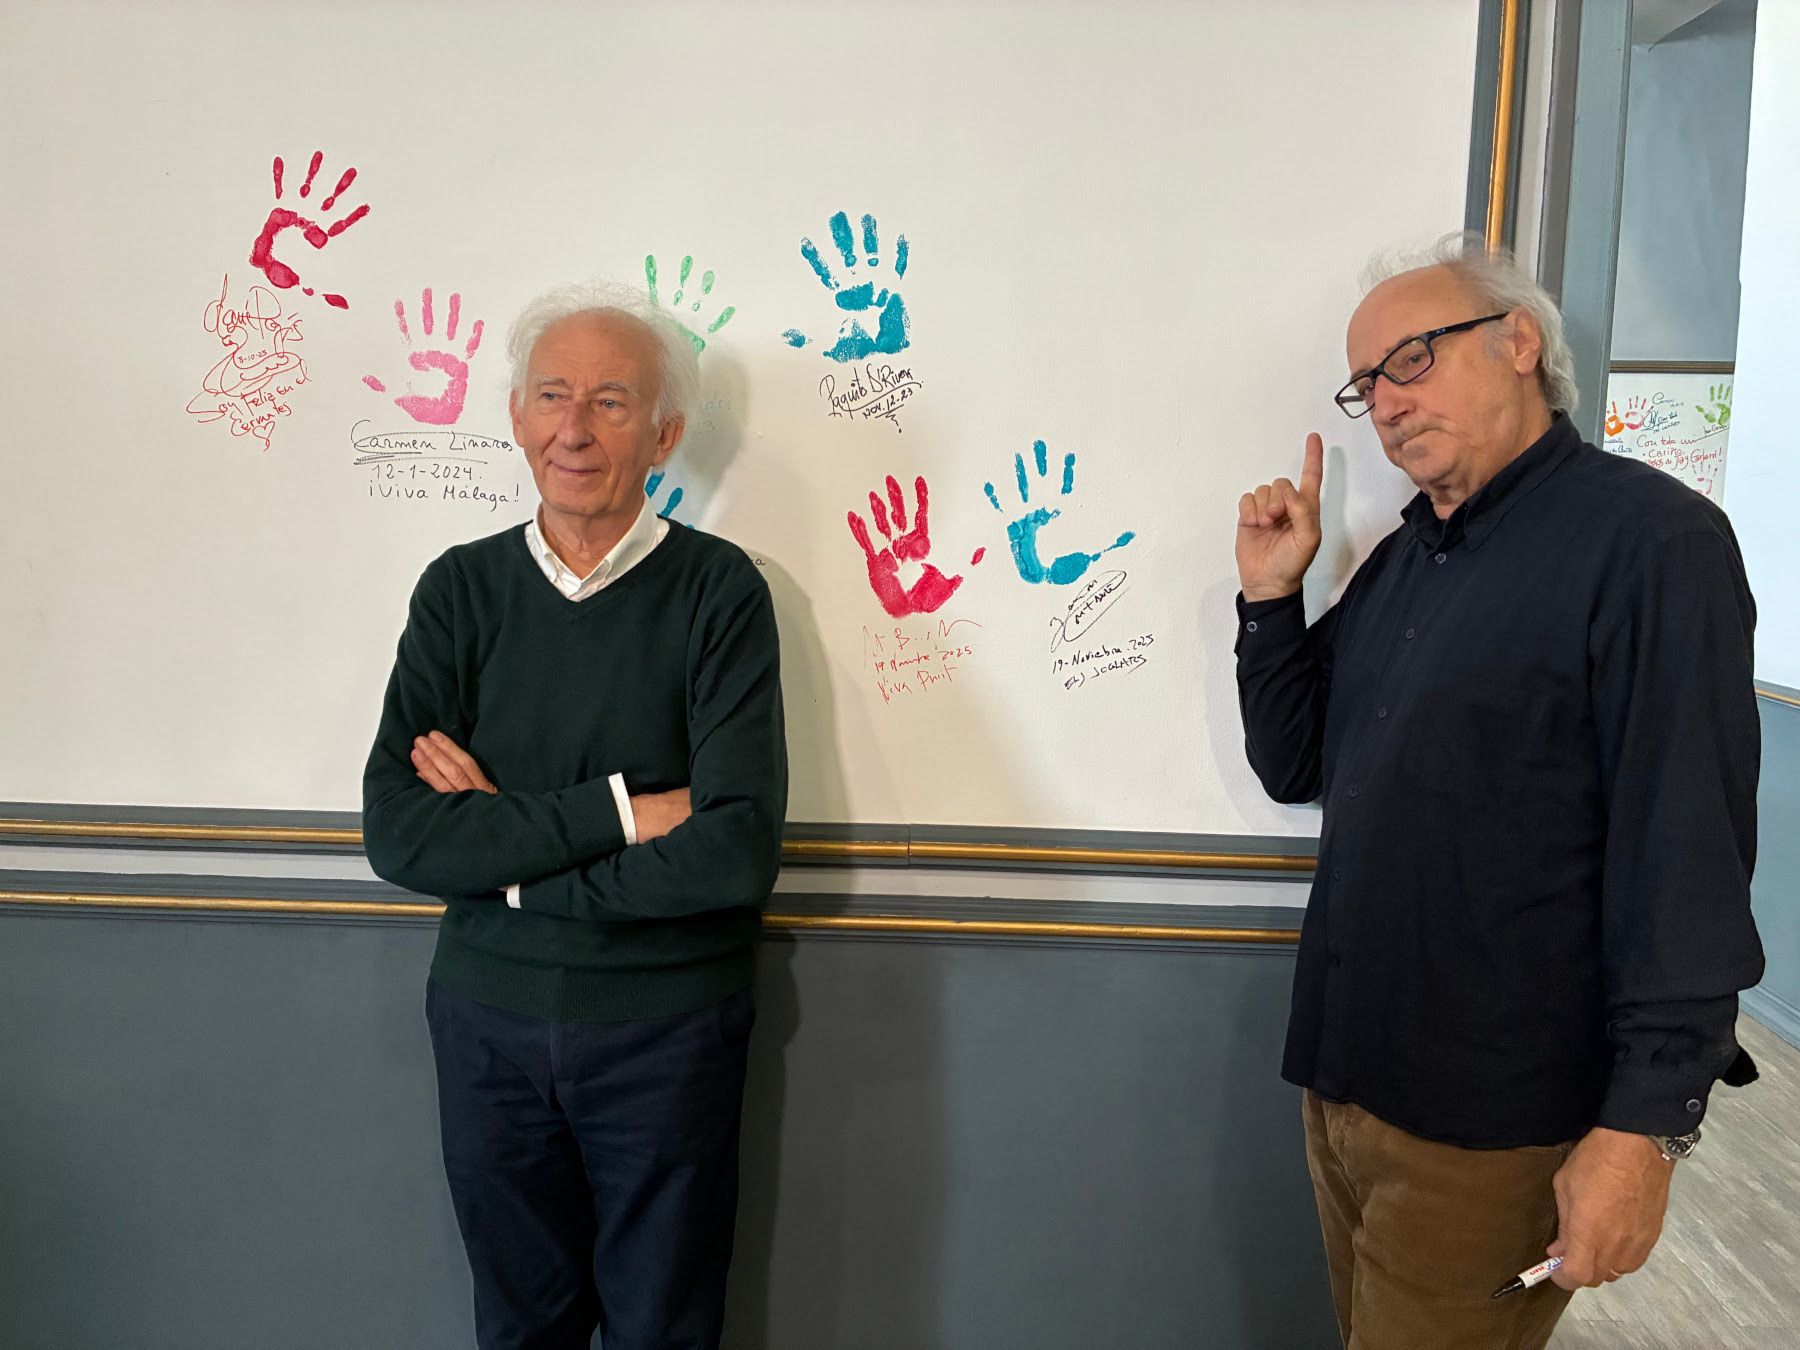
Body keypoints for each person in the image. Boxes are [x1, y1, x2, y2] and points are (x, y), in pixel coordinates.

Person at [1233, 233, 1763, 1349]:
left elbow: (1688, 852)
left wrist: (1644, 1132)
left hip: (1489, 1121)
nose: (1384, 403)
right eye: (1367, 381)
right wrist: (1272, 600)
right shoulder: (1406, 559)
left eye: (1413, 358)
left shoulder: (1653, 544)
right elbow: (1295, 764)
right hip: (1346, 1081)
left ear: (1519, 341)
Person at [362, 282, 787, 1350]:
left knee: (664, 1330)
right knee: (519, 1330)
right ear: (515, 416)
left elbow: (731, 852)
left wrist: (501, 856)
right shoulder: (458, 593)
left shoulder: (720, 593)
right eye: (552, 395)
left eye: (609, 401)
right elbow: (401, 833)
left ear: (664, 434)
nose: (574, 427)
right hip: (486, 1027)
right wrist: (623, 810)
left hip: (668, 1029)